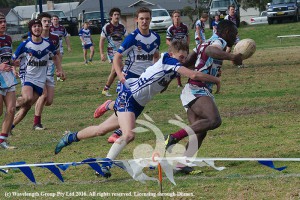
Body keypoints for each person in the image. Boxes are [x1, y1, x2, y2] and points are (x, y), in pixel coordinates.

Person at [54, 40, 222, 179]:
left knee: (100, 130)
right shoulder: (168, 61)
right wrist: (216, 79)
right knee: (128, 134)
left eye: (184, 58)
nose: (182, 61)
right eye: (180, 57)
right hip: (129, 96)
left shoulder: (173, 66)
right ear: (172, 55)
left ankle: (71, 137)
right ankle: (105, 164)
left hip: (137, 103)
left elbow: (166, 79)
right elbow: (193, 75)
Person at [164, 20, 243, 174]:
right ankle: (173, 137)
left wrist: (168, 78)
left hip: (192, 88)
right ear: (226, 32)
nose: (236, 36)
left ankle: (181, 164)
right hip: (197, 88)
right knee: (214, 120)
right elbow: (211, 52)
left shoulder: (203, 42)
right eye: (234, 33)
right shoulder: (218, 41)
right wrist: (232, 56)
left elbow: (187, 63)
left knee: (200, 131)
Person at [94, 7, 160, 143]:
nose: (144, 21)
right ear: (136, 20)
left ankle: (110, 109)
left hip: (144, 78)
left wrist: (155, 69)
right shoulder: (132, 38)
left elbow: (156, 55)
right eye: (141, 18)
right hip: (129, 77)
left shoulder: (156, 37)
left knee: (137, 105)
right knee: (127, 105)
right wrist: (120, 75)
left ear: (150, 19)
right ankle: (118, 130)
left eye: (147, 18)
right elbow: (117, 57)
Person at [11, 19, 63, 133]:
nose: (37, 28)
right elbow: (13, 59)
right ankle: (11, 105)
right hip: (27, 76)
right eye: (34, 26)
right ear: (31, 29)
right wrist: (14, 68)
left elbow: (55, 57)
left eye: (38, 26)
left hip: (40, 79)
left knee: (27, 107)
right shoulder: (25, 45)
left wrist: (59, 70)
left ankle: (9, 127)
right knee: (27, 98)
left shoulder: (48, 44)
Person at [32, 12, 65, 130]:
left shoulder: (54, 38)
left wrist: (59, 69)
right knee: (44, 94)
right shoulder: (34, 37)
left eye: (48, 21)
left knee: (49, 100)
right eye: (44, 21)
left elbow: (57, 54)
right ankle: (37, 123)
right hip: (37, 70)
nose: (47, 23)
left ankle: (28, 100)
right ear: (39, 23)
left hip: (49, 70)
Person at [99, 7, 127, 97]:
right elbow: (102, 40)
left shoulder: (121, 27)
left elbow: (127, 38)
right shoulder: (107, 27)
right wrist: (102, 53)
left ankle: (106, 89)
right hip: (111, 51)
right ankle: (120, 87)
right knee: (120, 68)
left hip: (119, 52)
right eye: (115, 14)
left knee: (115, 72)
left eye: (118, 14)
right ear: (111, 16)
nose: (117, 16)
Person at [0, 12, 18, 149]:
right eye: (0, 22)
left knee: (11, 109)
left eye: (4, 22)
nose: (3, 24)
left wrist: (14, 63)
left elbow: (8, 59)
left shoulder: (8, 38)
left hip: (9, 78)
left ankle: (2, 141)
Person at [166, 10, 189, 88]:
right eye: (175, 16)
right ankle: (179, 83)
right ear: (172, 18)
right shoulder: (170, 28)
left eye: (178, 16)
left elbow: (188, 36)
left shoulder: (184, 27)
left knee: (187, 64)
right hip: (175, 50)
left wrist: (186, 45)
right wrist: (174, 47)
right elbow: (167, 40)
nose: (177, 18)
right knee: (177, 65)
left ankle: (190, 81)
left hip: (184, 49)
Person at [50, 15, 71, 81]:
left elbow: (66, 37)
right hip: (51, 47)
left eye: (56, 19)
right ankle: (50, 74)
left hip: (60, 47)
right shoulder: (49, 28)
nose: (55, 20)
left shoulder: (62, 28)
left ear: (58, 20)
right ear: (51, 20)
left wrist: (68, 47)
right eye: (54, 19)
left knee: (58, 61)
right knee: (52, 62)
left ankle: (58, 76)